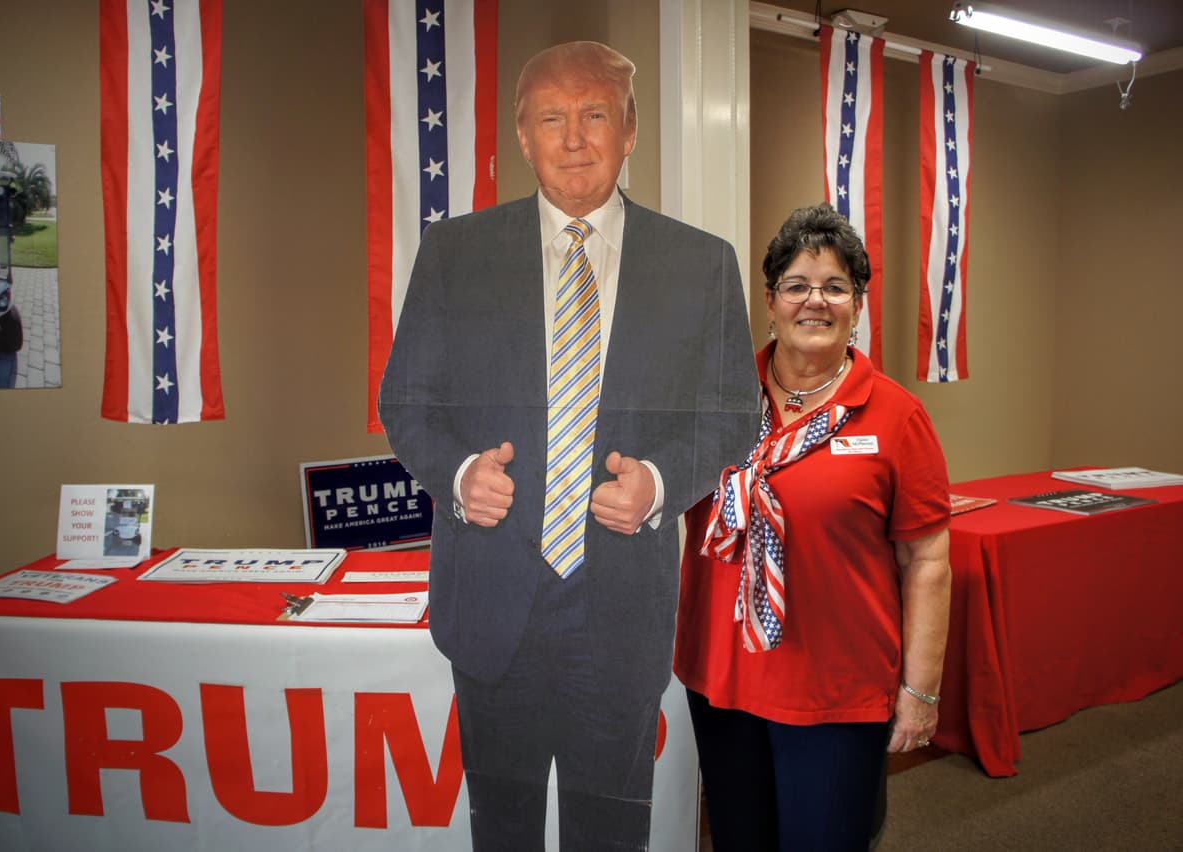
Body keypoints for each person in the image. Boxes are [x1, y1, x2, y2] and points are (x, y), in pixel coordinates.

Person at [378, 40, 758, 850]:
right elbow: (405, 403)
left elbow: (732, 413)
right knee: (503, 829)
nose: (575, 137)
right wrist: (455, 476)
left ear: (629, 132)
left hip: (619, 615)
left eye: (595, 116)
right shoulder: (454, 256)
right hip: (491, 607)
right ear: (523, 136)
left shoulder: (701, 265)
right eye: (553, 118)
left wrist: (658, 485)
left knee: (610, 833)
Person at [674, 203, 952, 851]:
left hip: (837, 692)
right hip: (722, 682)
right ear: (770, 302)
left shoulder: (896, 417)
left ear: (857, 306)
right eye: (797, 285)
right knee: (740, 840)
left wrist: (920, 691)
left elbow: (928, 560)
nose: (815, 301)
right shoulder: (714, 400)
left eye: (835, 287)